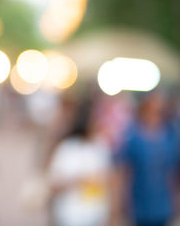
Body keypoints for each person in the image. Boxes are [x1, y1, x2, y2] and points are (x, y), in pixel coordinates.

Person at [112, 92, 180, 226]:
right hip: (139, 204)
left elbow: (173, 172)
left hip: (163, 203)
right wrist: (119, 203)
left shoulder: (170, 136)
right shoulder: (133, 136)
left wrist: (176, 199)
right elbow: (124, 171)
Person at [48, 103, 110, 226]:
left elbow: (106, 177)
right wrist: (79, 180)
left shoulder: (100, 146)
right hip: (70, 214)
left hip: (94, 213)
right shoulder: (67, 148)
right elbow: (55, 182)